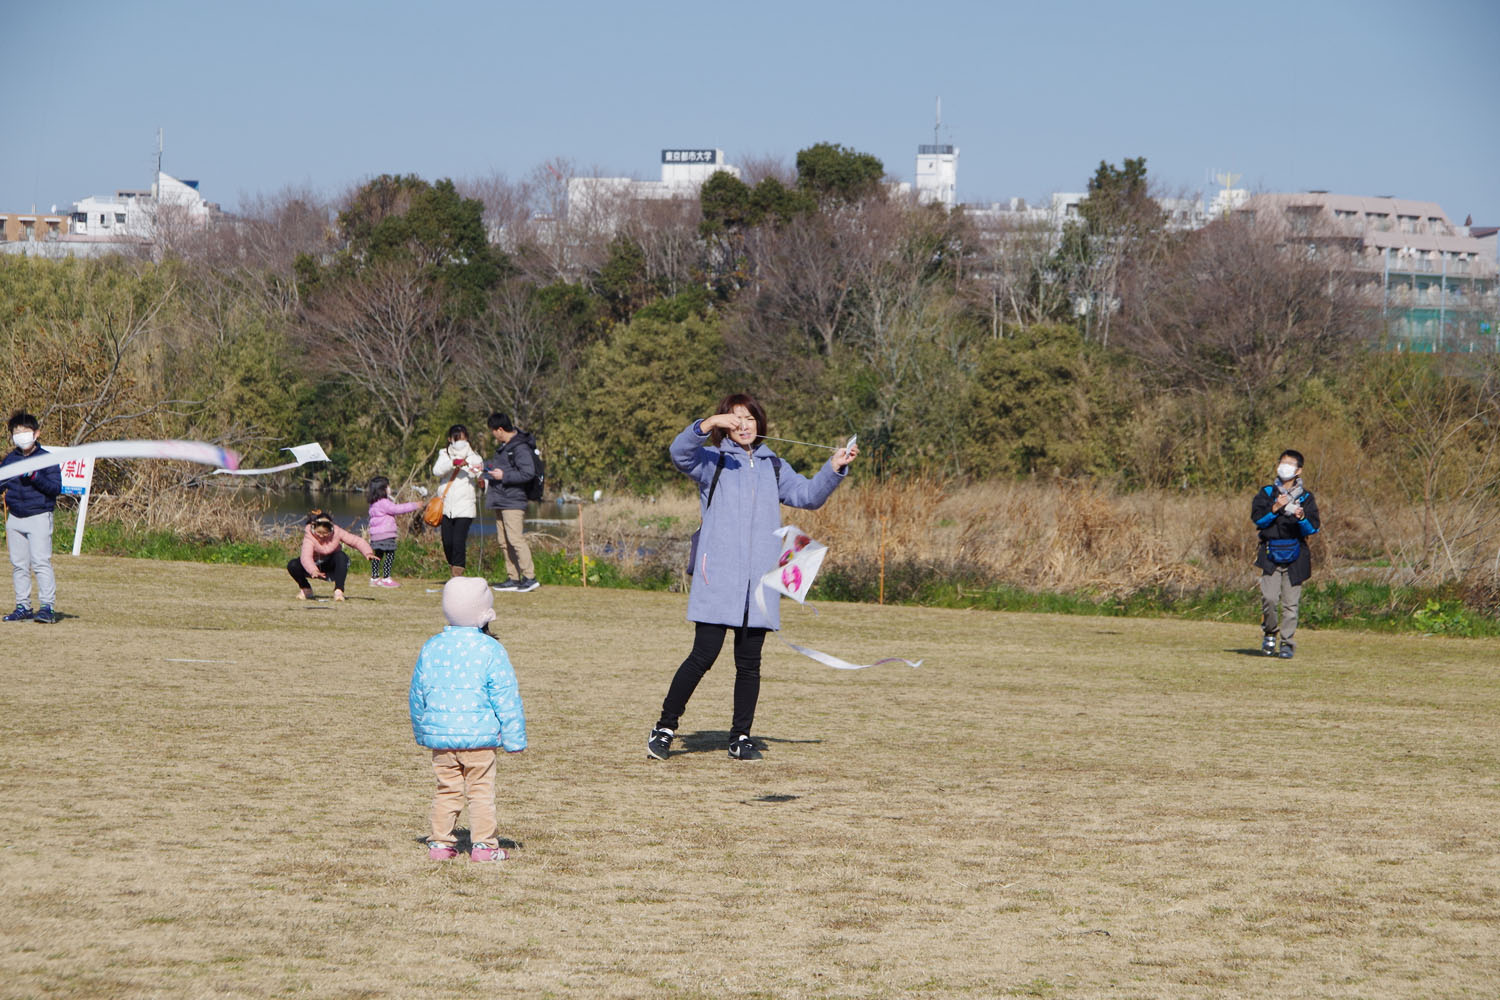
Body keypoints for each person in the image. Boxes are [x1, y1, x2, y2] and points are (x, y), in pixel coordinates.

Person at [647, 393, 858, 762]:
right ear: (725, 424)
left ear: (760, 423)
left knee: (749, 664)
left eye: (750, 418)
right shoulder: (710, 461)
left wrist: (834, 467)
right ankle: (665, 727)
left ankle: (740, 737)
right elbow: (679, 453)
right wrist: (707, 424)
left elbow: (807, 495)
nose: (743, 425)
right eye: (735, 419)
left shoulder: (774, 465)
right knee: (702, 657)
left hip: (759, 583)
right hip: (718, 580)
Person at [409, 576, 527, 862]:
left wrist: (422, 731)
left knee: (447, 790)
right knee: (480, 792)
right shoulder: (491, 649)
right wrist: (514, 738)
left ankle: (440, 843)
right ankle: (485, 846)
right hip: (480, 741)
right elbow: (506, 697)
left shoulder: (432, 646)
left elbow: (417, 693)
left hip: (443, 740)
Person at [1252, 449, 1320, 659]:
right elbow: (1258, 520)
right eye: (1282, 463)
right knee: (1269, 598)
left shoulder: (1307, 497)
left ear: (1298, 470)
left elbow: (1312, 529)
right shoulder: (1266, 493)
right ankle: (1270, 631)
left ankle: (1287, 643)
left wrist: (1301, 517)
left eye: (1290, 464)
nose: (1285, 467)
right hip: (1270, 553)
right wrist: (1275, 508)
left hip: (1296, 556)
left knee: (1291, 604)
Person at [1, 412, 62, 624]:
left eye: (25, 432)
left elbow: (55, 488)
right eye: (16, 433)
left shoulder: (46, 459)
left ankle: (47, 607)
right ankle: (23, 606)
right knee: (19, 564)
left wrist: (34, 476)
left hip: (39, 515)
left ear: (36, 434)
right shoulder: (10, 459)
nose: (21, 436)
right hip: (15, 516)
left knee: (40, 562)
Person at [483, 412, 539, 593]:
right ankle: (513, 578)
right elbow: (500, 468)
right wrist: (484, 470)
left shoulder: (520, 447)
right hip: (500, 498)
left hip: (513, 501)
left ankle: (529, 577)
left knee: (515, 539)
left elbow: (528, 473)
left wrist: (504, 476)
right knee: (503, 541)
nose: (492, 434)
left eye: (492, 430)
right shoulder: (504, 447)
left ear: (500, 430)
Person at [287, 509, 375, 602]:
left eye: (325, 533)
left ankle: (339, 590)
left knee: (341, 556)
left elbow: (355, 541)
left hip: (330, 563)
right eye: (319, 533)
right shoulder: (309, 536)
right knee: (293, 565)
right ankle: (306, 589)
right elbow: (306, 557)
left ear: (331, 529)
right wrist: (313, 570)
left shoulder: (337, 532)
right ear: (314, 528)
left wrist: (368, 553)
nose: (321, 536)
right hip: (313, 565)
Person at [432, 425, 484, 578]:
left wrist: (476, 474)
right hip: (446, 506)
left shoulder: (475, 457)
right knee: (447, 542)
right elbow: (436, 471)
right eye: (457, 438)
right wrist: (453, 463)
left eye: (463, 438)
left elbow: (479, 475)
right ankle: (452, 569)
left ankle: (457, 576)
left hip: (465, 507)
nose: (460, 442)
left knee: (459, 541)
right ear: (450, 440)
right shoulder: (444, 454)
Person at [365, 476, 424, 587]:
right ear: (382, 489)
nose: (390, 488)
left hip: (376, 535)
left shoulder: (374, 503)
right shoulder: (384, 502)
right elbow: (397, 509)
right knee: (390, 555)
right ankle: (386, 578)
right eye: (388, 486)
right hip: (386, 534)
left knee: (377, 555)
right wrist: (414, 505)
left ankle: (374, 578)